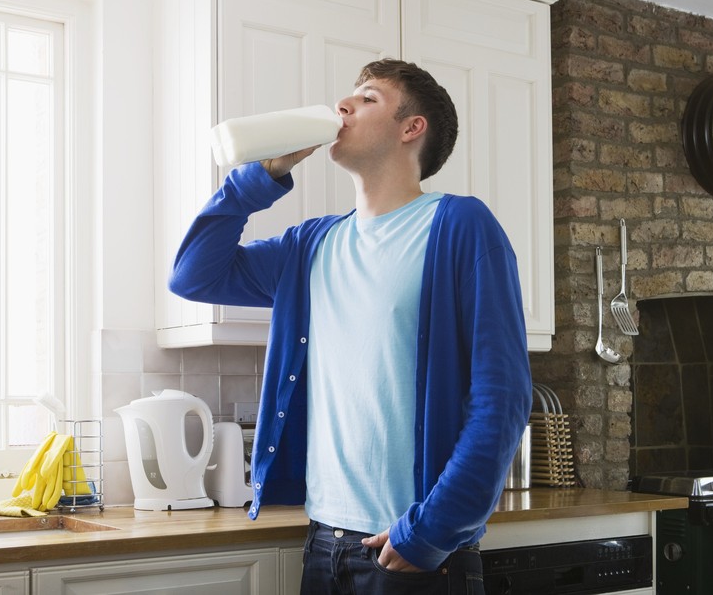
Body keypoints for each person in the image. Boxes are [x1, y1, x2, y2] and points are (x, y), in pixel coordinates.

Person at [170, 59, 532, 594]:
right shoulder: (310, 246)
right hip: (323, 545)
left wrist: (432, 531)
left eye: (367, 99)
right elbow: (194, 275)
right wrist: (260, 178)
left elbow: (501, 399)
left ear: (412, 128)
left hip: (410, 551)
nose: (343, 106)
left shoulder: (460, 225)